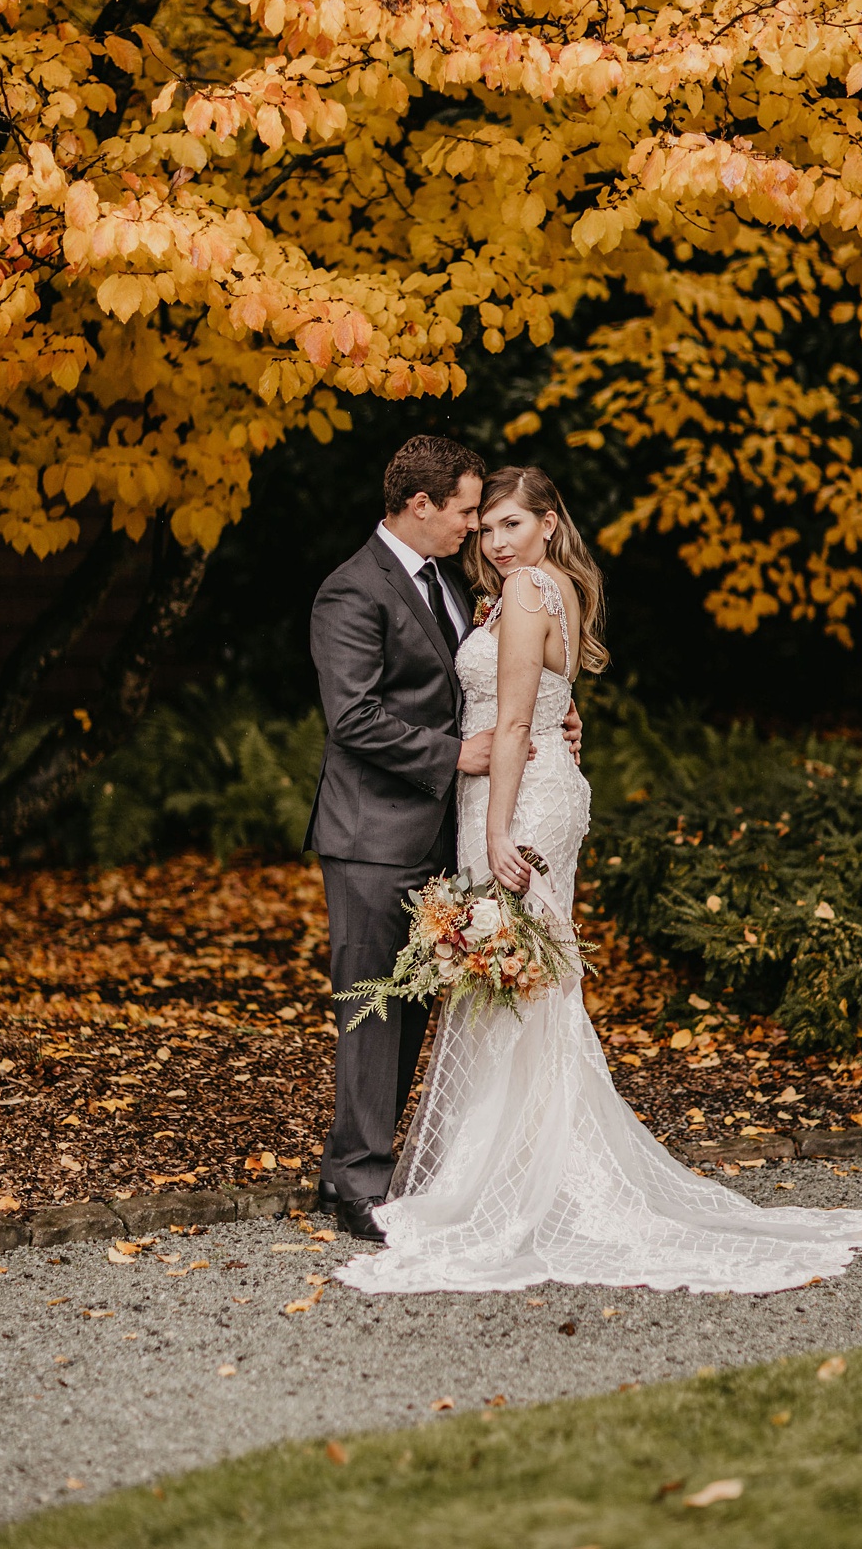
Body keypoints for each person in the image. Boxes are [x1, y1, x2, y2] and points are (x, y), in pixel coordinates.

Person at [335, 465, 862, 1293]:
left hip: (512, 799)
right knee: (523, 988)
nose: (492, 540)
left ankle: (514, 1186)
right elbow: (520, 697)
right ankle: (512, 1173)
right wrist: (540, 731)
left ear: (549, 524)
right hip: (518, 783)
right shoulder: (527, 589)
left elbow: (516, 716)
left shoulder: (523, 591)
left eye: (510, 524)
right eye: (484, 527)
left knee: (518, 989)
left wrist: (494, 823)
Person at [306, 438, 581, 1240]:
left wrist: (560, 713)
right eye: (466, 512)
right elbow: (352, 715)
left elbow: (493, 681)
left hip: (445, 830)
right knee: (369, 1007)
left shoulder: (460, 587)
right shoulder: (350, 591)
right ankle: (358, 1183)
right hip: (371, 833)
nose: (475, 529)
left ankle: (356, 1163)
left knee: (419, 1004)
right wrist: (454, 754)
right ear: (419, 506)